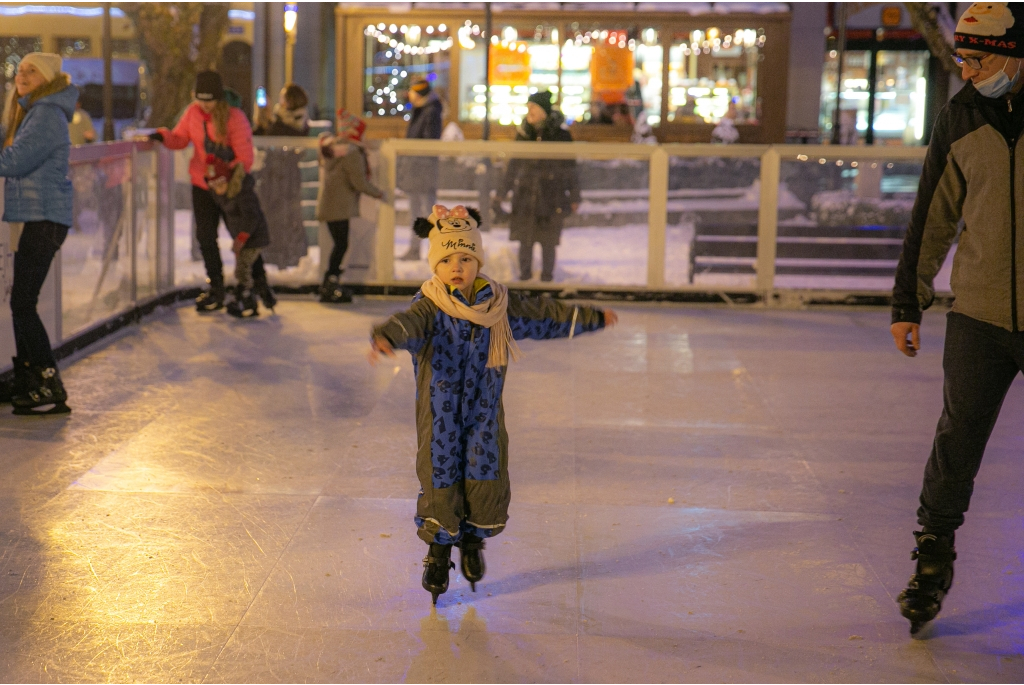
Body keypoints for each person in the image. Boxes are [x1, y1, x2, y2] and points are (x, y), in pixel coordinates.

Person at [368, 203, 617, 605]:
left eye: (466, 257)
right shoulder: (429, 308)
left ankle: (471, 541)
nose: (457, 266)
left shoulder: (498, 305)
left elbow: (545, 316)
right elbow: (407, 324)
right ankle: (437, 551)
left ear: (477, 260)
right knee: (440, 475)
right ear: (435, 264)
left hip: (484, 411)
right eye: (447, 258)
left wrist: (587, 317)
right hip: (441, 413)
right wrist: (387, 336)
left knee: (484, 472)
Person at [891, 2, 1024, 635]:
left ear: (1015, 54)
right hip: (980, 316)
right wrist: (907, 301)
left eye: (976, 59)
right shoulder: (961, 117)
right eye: (962, 60)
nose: (967, 72)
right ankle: (931, 560)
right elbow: (933, 216)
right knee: (957, 442)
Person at [148, 71, 276, 312]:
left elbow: (245, 155)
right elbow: (179, 139)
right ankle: (216, 288)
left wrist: (230, 181)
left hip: (229, 188)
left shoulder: (235, 117)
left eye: (209, 100)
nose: (205, 105)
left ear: (219, 98)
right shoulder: (192, 114)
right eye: (200, 99)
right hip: (202, 185)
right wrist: (162, 136)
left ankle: (258, 283)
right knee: (205, 237)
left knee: (243, 236)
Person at [0, 53, 77, 415]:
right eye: (21, 69)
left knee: (23, 302)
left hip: (45, 217)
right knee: (22, 301)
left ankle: (47, 380)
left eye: (33, 70)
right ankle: (29, 378)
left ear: (47, 79)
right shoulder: (32, 111)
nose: (22, 74)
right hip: (39, 217)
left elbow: (15, 161)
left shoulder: (45, 115)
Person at [495, 91, 581, 282]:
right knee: (525, 239)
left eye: (533, 108)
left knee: (548, 241)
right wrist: (502, 192)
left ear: (543, 111)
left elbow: (570, 168)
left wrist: (574, 195)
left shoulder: (560, 135)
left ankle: (547, 279)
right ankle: (524, 278)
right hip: (525, 194)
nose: (529, 112)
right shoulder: (524, 134)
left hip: (551, 195)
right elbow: (513, 165)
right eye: (529, 108)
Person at [315, 109, 386, 303]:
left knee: (339, 245)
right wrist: (379, 193)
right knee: (341, 245)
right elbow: (359, 182)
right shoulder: (352, 152)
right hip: (339, 207)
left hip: (330, 205)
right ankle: (330, 282)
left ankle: (329, 282)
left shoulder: (334, 148)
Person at [204, 152, 271, 317]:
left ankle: (245, 295)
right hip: (244, 237)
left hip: (254, 237)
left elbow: (252, 217)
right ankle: (251, 295)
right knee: (243, 266)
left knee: (242, 267)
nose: (218, 189)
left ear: (228, 180)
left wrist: (242, 237)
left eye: (220, 184)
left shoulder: (242, 193)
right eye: (214, 186)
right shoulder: (223, 195)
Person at [397, 78, 443, 261]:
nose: (409, 95)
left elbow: (427, 142)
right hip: (416, 171)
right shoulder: (422, 110)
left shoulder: (430, 112)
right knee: (417, 213)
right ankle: (415, 249)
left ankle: (436, 250)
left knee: (427, 213)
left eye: (412, 92)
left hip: (423, 171)